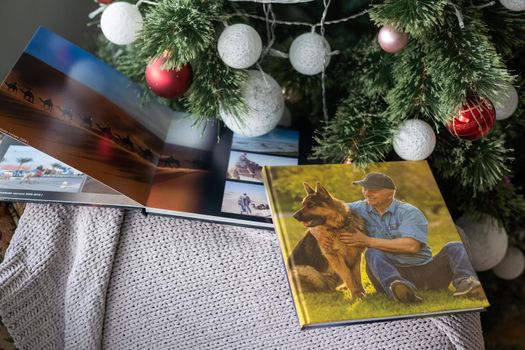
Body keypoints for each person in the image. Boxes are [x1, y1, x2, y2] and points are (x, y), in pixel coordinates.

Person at [318, 172, 483, 303]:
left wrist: (367, 241)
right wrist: (316, 232)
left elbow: (412, 246)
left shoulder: (409, 212)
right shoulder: (360, 207)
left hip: (426, 271)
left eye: (372, 189)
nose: (366, 193)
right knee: (373, 253)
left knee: (454, 246)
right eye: (364, 188)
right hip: (387, 272)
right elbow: (331, 210)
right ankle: (398, 288)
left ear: (390, 194)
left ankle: (467, 284)